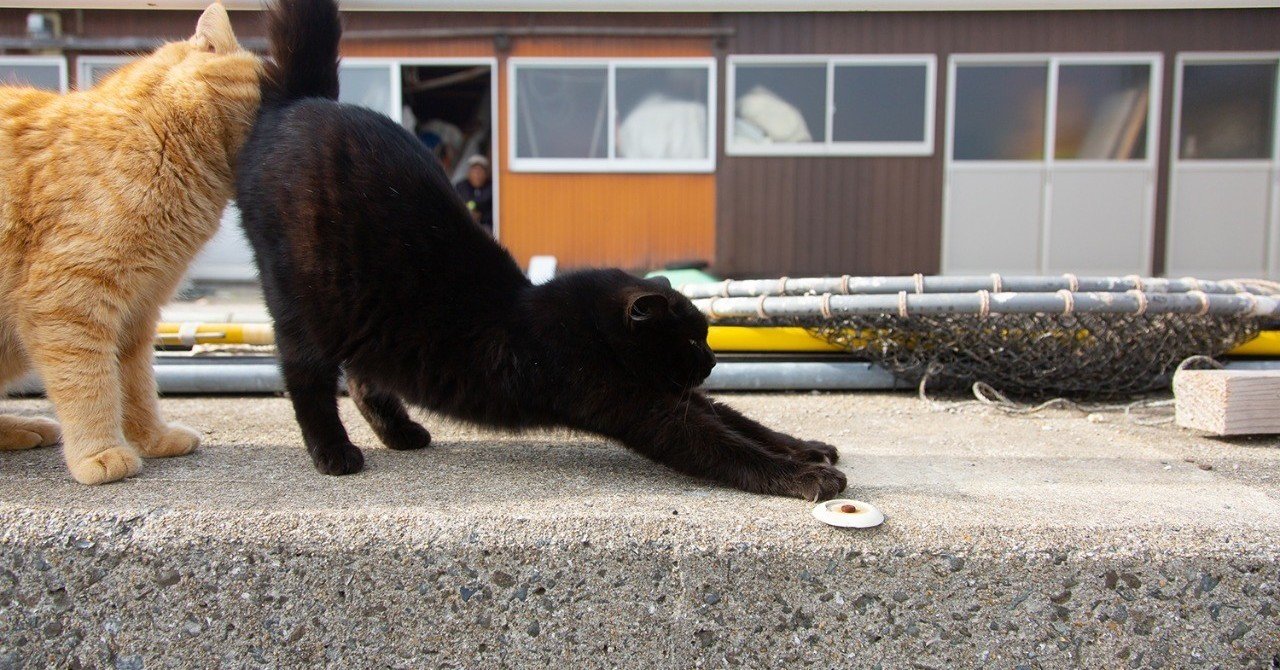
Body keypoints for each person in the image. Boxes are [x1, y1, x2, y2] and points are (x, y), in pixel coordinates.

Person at [455, 155, 493, 236]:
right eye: (474, 170)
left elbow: (494, 212)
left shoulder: (492, 188)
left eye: (480, 171)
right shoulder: (460, 187)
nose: (477, 174)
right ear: (469, 173)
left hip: (486, 227)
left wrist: (481, 216)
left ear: (486, 174)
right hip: (463, 224)